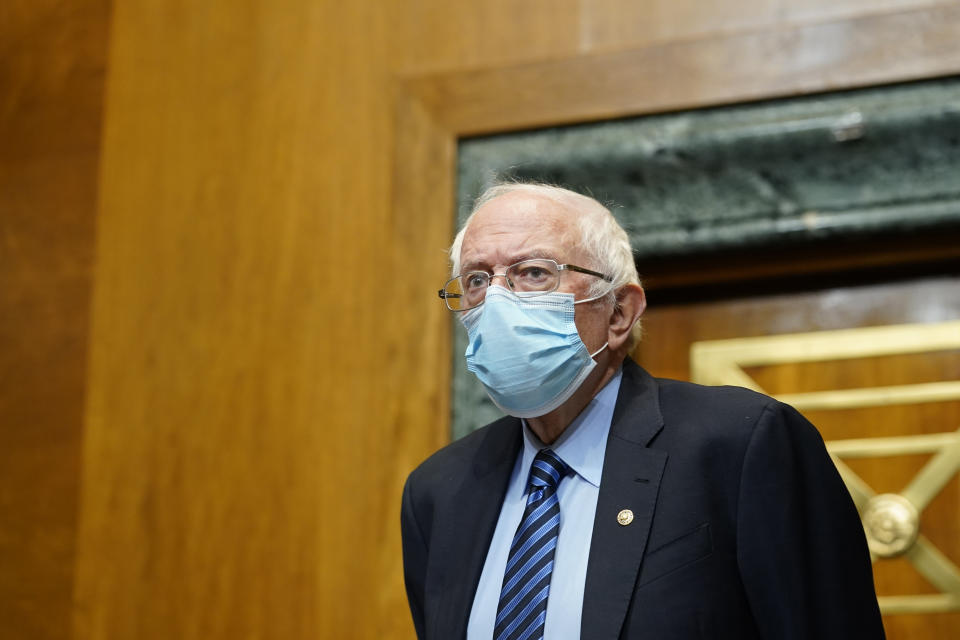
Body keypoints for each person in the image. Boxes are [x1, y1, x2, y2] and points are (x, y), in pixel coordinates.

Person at [401, 182, 885, 639]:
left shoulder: (741, 446)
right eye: (478, 279)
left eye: (534, 272)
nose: (500, 300)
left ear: (618, 312)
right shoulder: (440, 491)